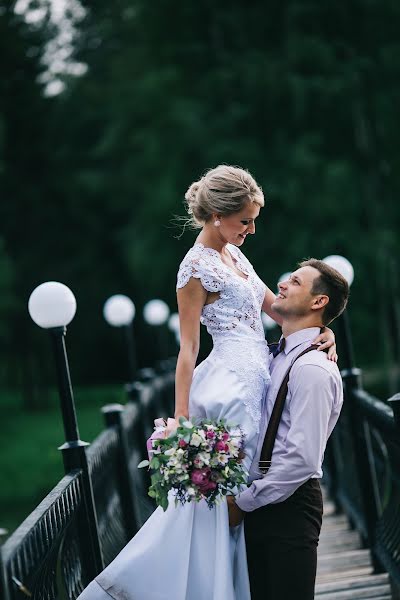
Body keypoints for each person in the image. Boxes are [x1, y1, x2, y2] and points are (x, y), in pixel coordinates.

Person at [77, 166, 336, 600]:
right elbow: (187, 350)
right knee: (223, 501)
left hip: (261, 373)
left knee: (251, 480)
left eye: (253, 220)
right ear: (217, 214)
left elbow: (279, 312)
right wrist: (180, 420)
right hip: (230, 385)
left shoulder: (237, 257)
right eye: (245, 221)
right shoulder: (193, 269)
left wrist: (323, 331)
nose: (251, 229)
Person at [227, 258, 349, 600]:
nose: (282, 284)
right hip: (261, 499)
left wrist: (244, 502)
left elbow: (302, 458)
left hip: (289, 504)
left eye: (295, 281)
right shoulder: (274, 357)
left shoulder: (313, 369)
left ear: (318, 301)